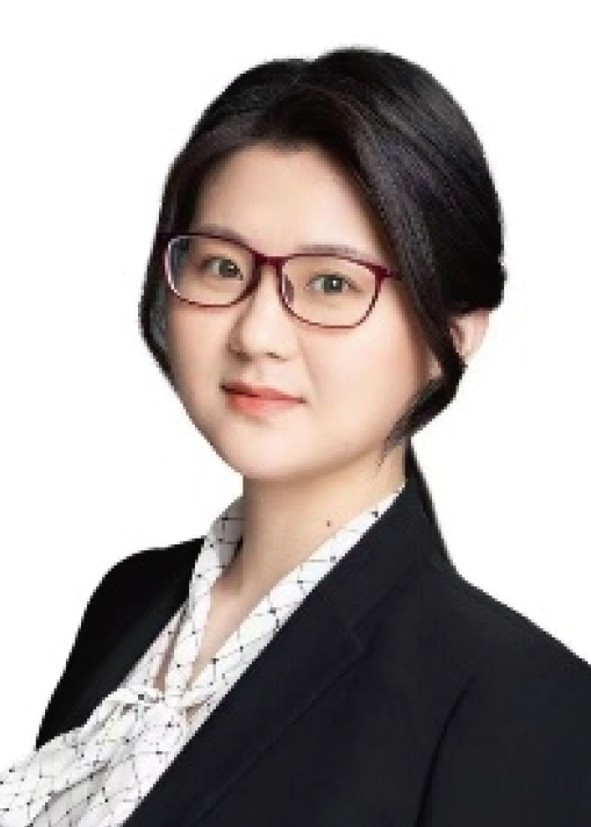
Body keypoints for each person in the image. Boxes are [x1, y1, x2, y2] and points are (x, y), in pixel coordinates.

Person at [1, 44, 590, 827]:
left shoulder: (514, 700)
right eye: (220, 267)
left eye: (330, 282)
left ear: (452, 333)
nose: (257, 332)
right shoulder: (130, 599)